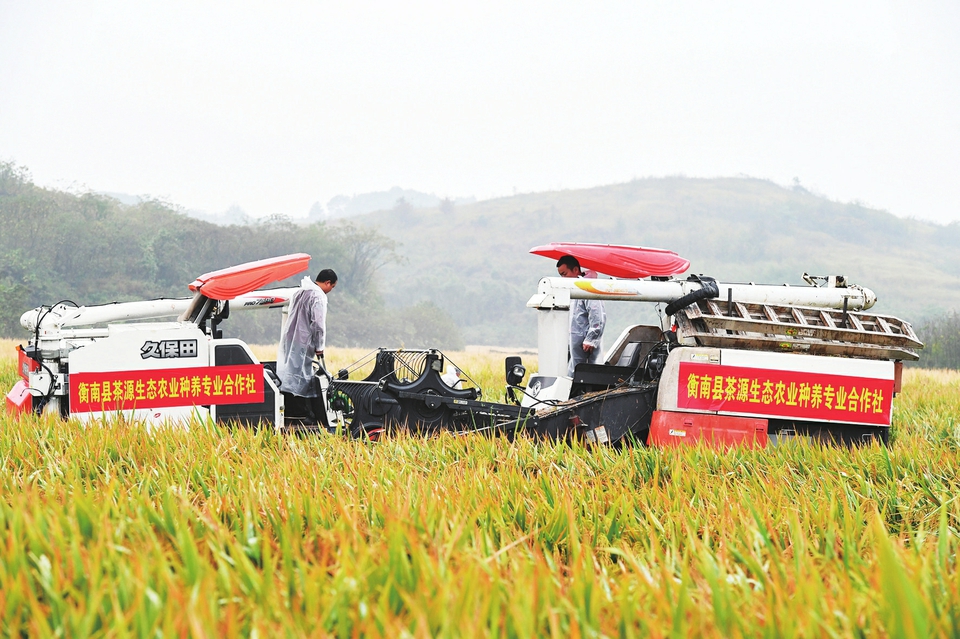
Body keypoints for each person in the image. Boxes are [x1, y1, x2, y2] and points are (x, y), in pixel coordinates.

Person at [277, 269, 338, 408]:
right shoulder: (318, 296)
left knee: (289, 374)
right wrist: (319, 346)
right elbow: (318, 324)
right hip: (303, 341)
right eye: (332, 287)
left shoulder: (300, 291)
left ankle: (289, 408)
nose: (331, 290)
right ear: (327, 283)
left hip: (290, 338)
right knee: (300, 377)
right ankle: (300, 411)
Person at [556, 255, 605, 376]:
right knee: (574, 372)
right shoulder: (575, 290)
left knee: (586, 373)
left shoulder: (588, 288)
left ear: (575, 270)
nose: (563, 278)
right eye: (561, 275)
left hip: (585, 344)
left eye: (565, 274)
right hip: (576, 342)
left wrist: (591, 339)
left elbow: (597, 315)